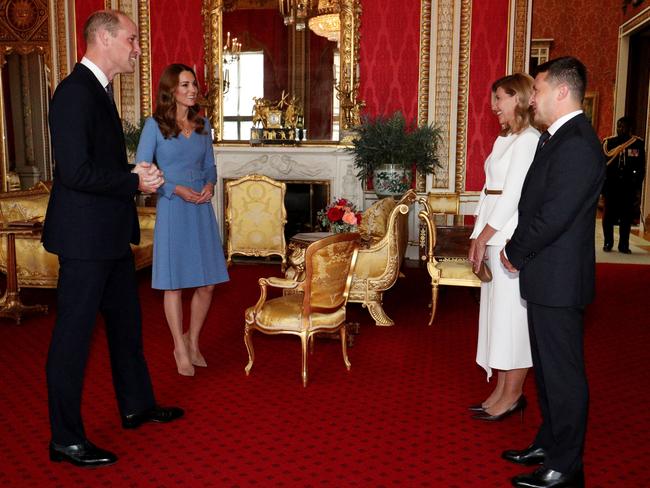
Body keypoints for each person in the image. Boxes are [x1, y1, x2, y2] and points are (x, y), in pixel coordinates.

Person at [43, 10, 184, 468]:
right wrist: (133, 181)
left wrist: (132, 173)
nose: (137, 47)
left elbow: (97, 163)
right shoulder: (74, 93)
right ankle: (65, 439)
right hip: (84, 240)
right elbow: (74, 172)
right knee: (73, 340)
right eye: (132, 38)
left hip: (108, 236)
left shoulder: (98, 91)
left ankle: (136, 405)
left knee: (127, 328)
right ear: (103, 38)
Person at [500, 57, 605, 488]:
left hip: (559, 279)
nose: (533, 99)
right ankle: (549, 440)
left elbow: (554, 215)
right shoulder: (556, 138)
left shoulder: (578, 142)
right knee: (545, 370)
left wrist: (514, 250)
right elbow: (536, 203)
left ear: (562, 92)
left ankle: (566, 465)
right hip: (546, 276)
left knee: (563, 374)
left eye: (538, 91)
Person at [135, 64, 229, 377]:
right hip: (173, 207)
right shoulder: (154, 125)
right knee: (173, 284)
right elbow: (143, 170)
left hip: (200, 207)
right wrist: (174, 189)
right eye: (185, 85)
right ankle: (178, 344)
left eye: (194, 85)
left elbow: (210, 166)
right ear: (171, 90)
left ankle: (193, 338)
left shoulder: (203, 124)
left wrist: (209, 186)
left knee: (208, 283)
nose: (192, 90)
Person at [468, 73, 538, 421]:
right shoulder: (505, 139)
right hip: (492, 231)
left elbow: (512, 197)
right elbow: (488, 190)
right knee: (498, 316)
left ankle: (512, 396)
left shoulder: (529, 140)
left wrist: (485, 236)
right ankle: (500, 390)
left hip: (509, 235)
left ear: (519, 98)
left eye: (500, 98)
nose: (494, 106)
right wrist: (476, 235)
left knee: (513, 319)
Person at [601, 116, 646, 254]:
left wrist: (637, 186)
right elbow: (602, 166)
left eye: (623, 126)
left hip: (628, 187)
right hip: (612, 186)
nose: (620, 129)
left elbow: (640, 168)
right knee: (608, 216)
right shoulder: (608, 143)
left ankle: (623, 245)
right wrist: (602, 187)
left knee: (626, 217)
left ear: (630, 128)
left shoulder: (637, 144)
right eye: (618, 126)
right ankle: (608, 242)